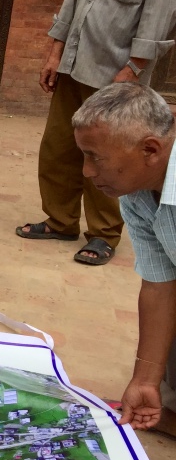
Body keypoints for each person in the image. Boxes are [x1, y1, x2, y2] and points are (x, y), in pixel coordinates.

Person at [17, 0, 176, 266]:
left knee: (111, 156)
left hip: (117, 72)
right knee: (58, 148)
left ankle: (104, 233)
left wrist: (133, 70)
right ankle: (60, 220)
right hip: (75, 63)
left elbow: (160, 12)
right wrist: (54, 50)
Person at [70, 82, 176, 437]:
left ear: (150, 149)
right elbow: (159, 284)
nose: (87, 171)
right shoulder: (136, 192)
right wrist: (145, 380)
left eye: (95, 157)